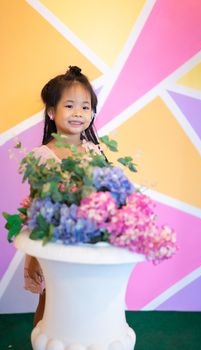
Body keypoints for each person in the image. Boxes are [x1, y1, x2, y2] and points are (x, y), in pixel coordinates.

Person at [24, 65, 104, 326]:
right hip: (52, 243)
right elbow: (36, 210)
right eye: (69, 105)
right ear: (51, 111)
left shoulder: (94, 153)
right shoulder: (42, 157)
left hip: (87, 242)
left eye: (85, 106)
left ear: (92, 113)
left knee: (87, 302)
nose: (78, 113)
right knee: (50, 302)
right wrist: (34, 257)